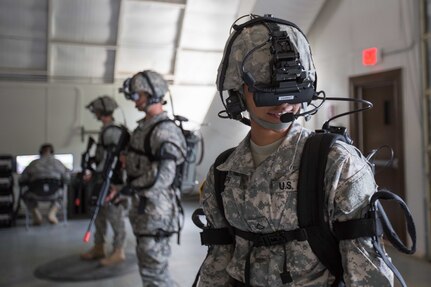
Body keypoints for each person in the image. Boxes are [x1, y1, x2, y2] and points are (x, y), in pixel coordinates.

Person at [196, 15, 394, 286]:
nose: (284, 103)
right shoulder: (223, 172)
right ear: (238, 92)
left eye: (294, 88)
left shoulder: (337, 165)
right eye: (267, 89)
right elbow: (218, 262)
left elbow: (369, 274)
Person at [118, 70, 186, 286]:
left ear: (152, 94)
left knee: (155, 274)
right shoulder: (144, 128)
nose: (134, 101)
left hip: (156, 212)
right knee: (152, 272)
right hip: (144, 210)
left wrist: (130, 188)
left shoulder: (164, 130)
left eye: (138, 95)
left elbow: (164, 175)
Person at [80, 95, 128, 267]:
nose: (94, 113)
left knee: (115, 216)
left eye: (96, 111)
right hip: (102, 179)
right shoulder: (106, 129)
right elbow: (104, 158)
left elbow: (115, 160)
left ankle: (119, 251)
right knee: (99, 214)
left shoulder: (113, 131)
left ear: (102, 111)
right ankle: (99, 246)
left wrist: (99, 172)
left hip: (112, 181)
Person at [19, 143, 70, 225]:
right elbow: (67, 178)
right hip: (54, 193)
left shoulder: (33, 163)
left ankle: (36, 215)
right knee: (61, 196)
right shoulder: (58, 163)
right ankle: (52, 214)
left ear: (40, 152)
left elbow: (22, 179)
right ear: (52, 152)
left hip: (35, 193)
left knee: (25, 195)